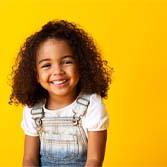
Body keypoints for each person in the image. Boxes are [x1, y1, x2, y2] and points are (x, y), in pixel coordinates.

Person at [9, 20, 113, 166]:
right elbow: (29, 160)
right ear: (36, 74)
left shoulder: (91, 105)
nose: (57, 71)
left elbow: (94, 160)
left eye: (66, 62)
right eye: (46, 65)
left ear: (81, 64)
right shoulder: (34, 109)